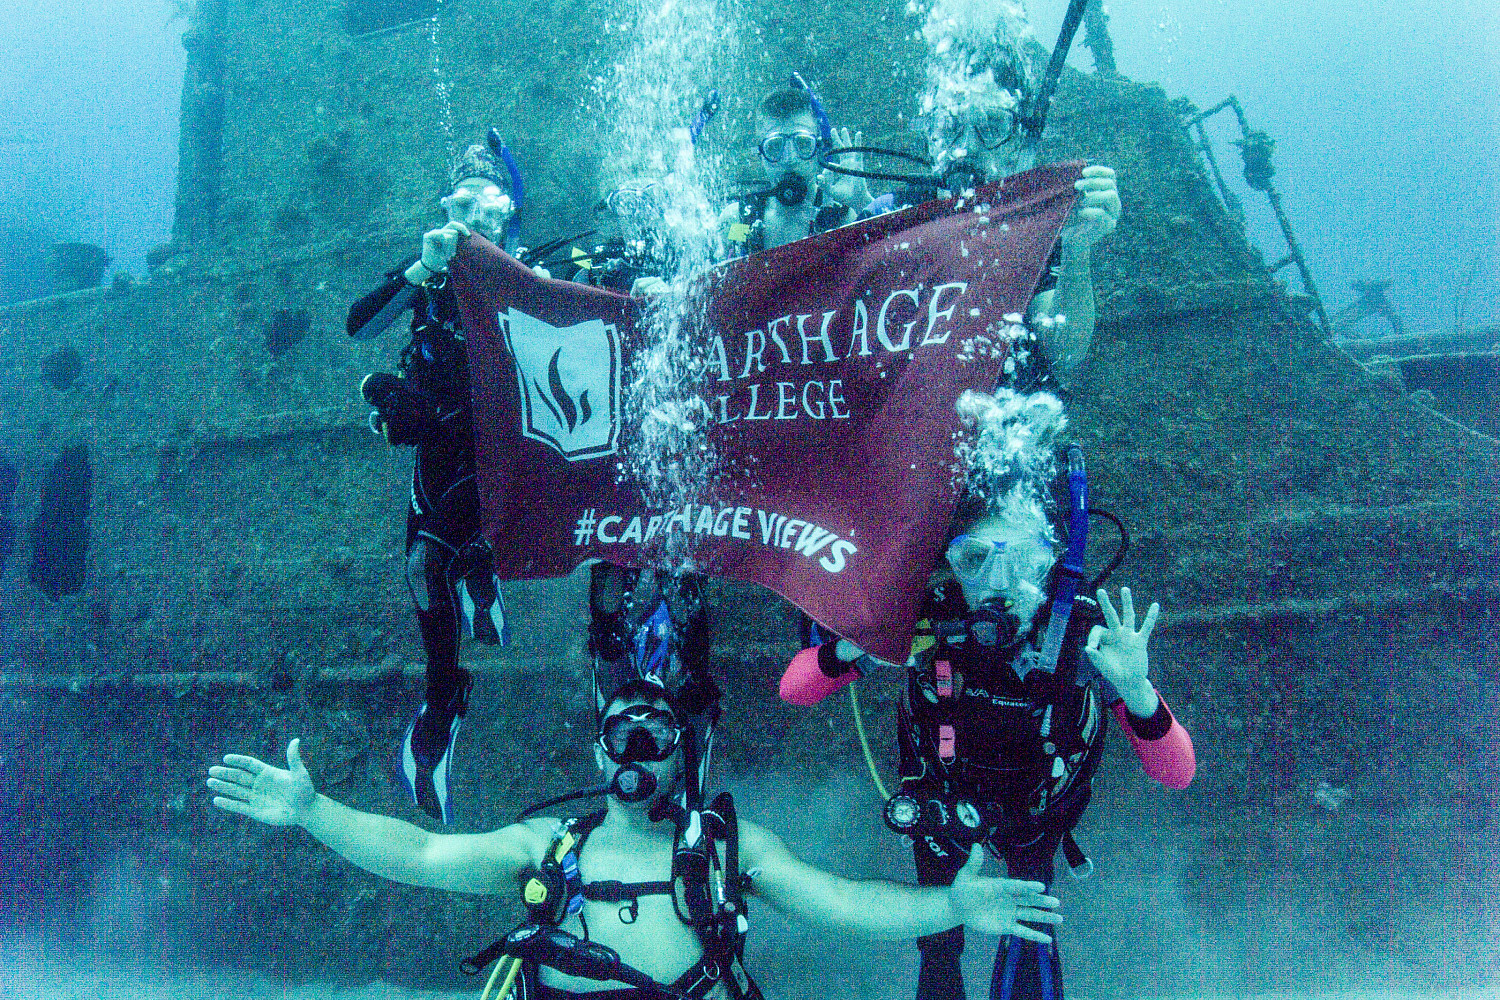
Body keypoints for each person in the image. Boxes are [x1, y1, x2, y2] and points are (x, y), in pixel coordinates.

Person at [207, 677, 1065, 1000]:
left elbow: (841, 903)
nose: (638, 753)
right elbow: (424, 856)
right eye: (624, 735)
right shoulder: (549, 846)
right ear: (600, 751)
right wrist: (316, 812)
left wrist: (952, 907)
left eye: (657, 738)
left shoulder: (728, 850)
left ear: (681, 755)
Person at [780, 461, 1195, 1000]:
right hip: (943, 795)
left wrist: (1136, 690)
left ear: (1051, 563)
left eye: (1022, 561)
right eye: (975, 559)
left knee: (1028, 927)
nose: (998, 584)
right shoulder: (925, 618)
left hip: (1036, 808)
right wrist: (852, 646)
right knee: (938, 941)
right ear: (949, 563)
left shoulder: (1084, 635)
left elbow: (1177, 772)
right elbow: (795, 689)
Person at [345, 141, 522, 824]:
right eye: (462, 204)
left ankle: (480, 570)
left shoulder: (531, 274)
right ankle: (444, 697)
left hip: (498, 452)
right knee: (420, 569)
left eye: (490, 205)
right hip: (440, 447)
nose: (476, 219)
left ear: (510, 214)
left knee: (440, 553)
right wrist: (422, 267)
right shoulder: (431, 276)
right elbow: (360, 323)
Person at [721, 79, 873, 256]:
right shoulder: (740, 221)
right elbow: (723, 266)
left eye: (802, 144)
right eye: (775, 147)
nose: (790, 159)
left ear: (819, 149)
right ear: (760, 154)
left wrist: (864, 204)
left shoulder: (842, 219)